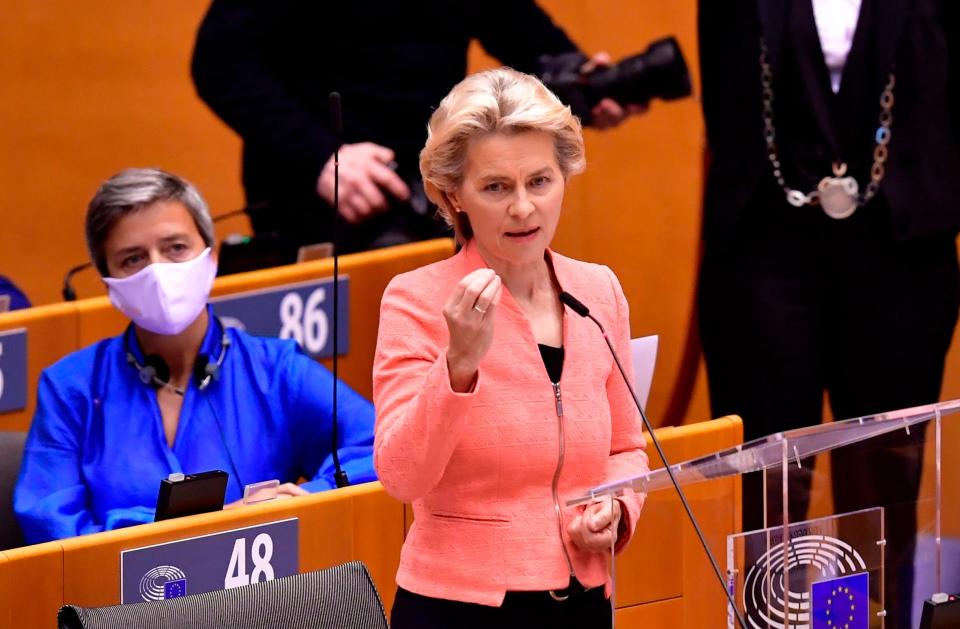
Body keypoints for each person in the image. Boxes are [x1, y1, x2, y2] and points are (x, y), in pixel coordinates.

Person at [697, 0, 959, 625]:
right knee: (769, 478)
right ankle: (774, 621)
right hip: (764, 245)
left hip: (902, 244)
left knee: (883, 478)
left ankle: (857, 621)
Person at [372, 68, 648, 627]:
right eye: (497, 187)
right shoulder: (417, 302)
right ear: (455, 195)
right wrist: (457, 367)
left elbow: (626, 447)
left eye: (540, 181)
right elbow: (401, 476)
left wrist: (617, 511)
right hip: (457, 607)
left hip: (583, 599)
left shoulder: (599, 291)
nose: (523, 208)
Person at [14, 168, 376, 544]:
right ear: (109, 284)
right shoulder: (70, 388)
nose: (158, 270)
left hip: (255, 597)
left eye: (175, 248)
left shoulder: (277, 369)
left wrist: (299, 500)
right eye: (133, 259)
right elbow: (49, 526)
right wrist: (196, 525)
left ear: (211, 256)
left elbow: (379, 452)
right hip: (117, 599)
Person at [190, 0, 640, 256]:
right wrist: (320, 158)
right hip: (316, 199)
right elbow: (219, 61)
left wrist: (583, 82)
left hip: (434, 194)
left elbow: (522, 32)